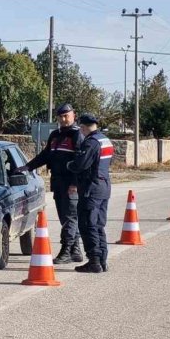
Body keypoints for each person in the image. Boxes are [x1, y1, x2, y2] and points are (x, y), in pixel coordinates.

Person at [18, 103, 84, 264]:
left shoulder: (77, 136)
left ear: (73, 116)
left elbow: (81, 163)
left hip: (71, 185)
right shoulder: (55, 135)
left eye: (66, 116)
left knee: (70, 218)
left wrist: (75, 184)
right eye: (60, 116)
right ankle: (75, 251)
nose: (63, 119)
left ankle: (67, 250)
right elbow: (45, 156)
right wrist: (28, 166)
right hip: (58, 183)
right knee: (66, 219)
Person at [67, 114, 113, 273]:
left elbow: (80, 165)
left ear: (84, 127)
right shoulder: (105, 140)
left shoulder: (91, 143)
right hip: (104, 187)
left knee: (88, 225)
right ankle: (102, 260)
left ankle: (94, 261)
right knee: (99, 225)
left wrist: (69, 165)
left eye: (81, 128)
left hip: (91, 189)